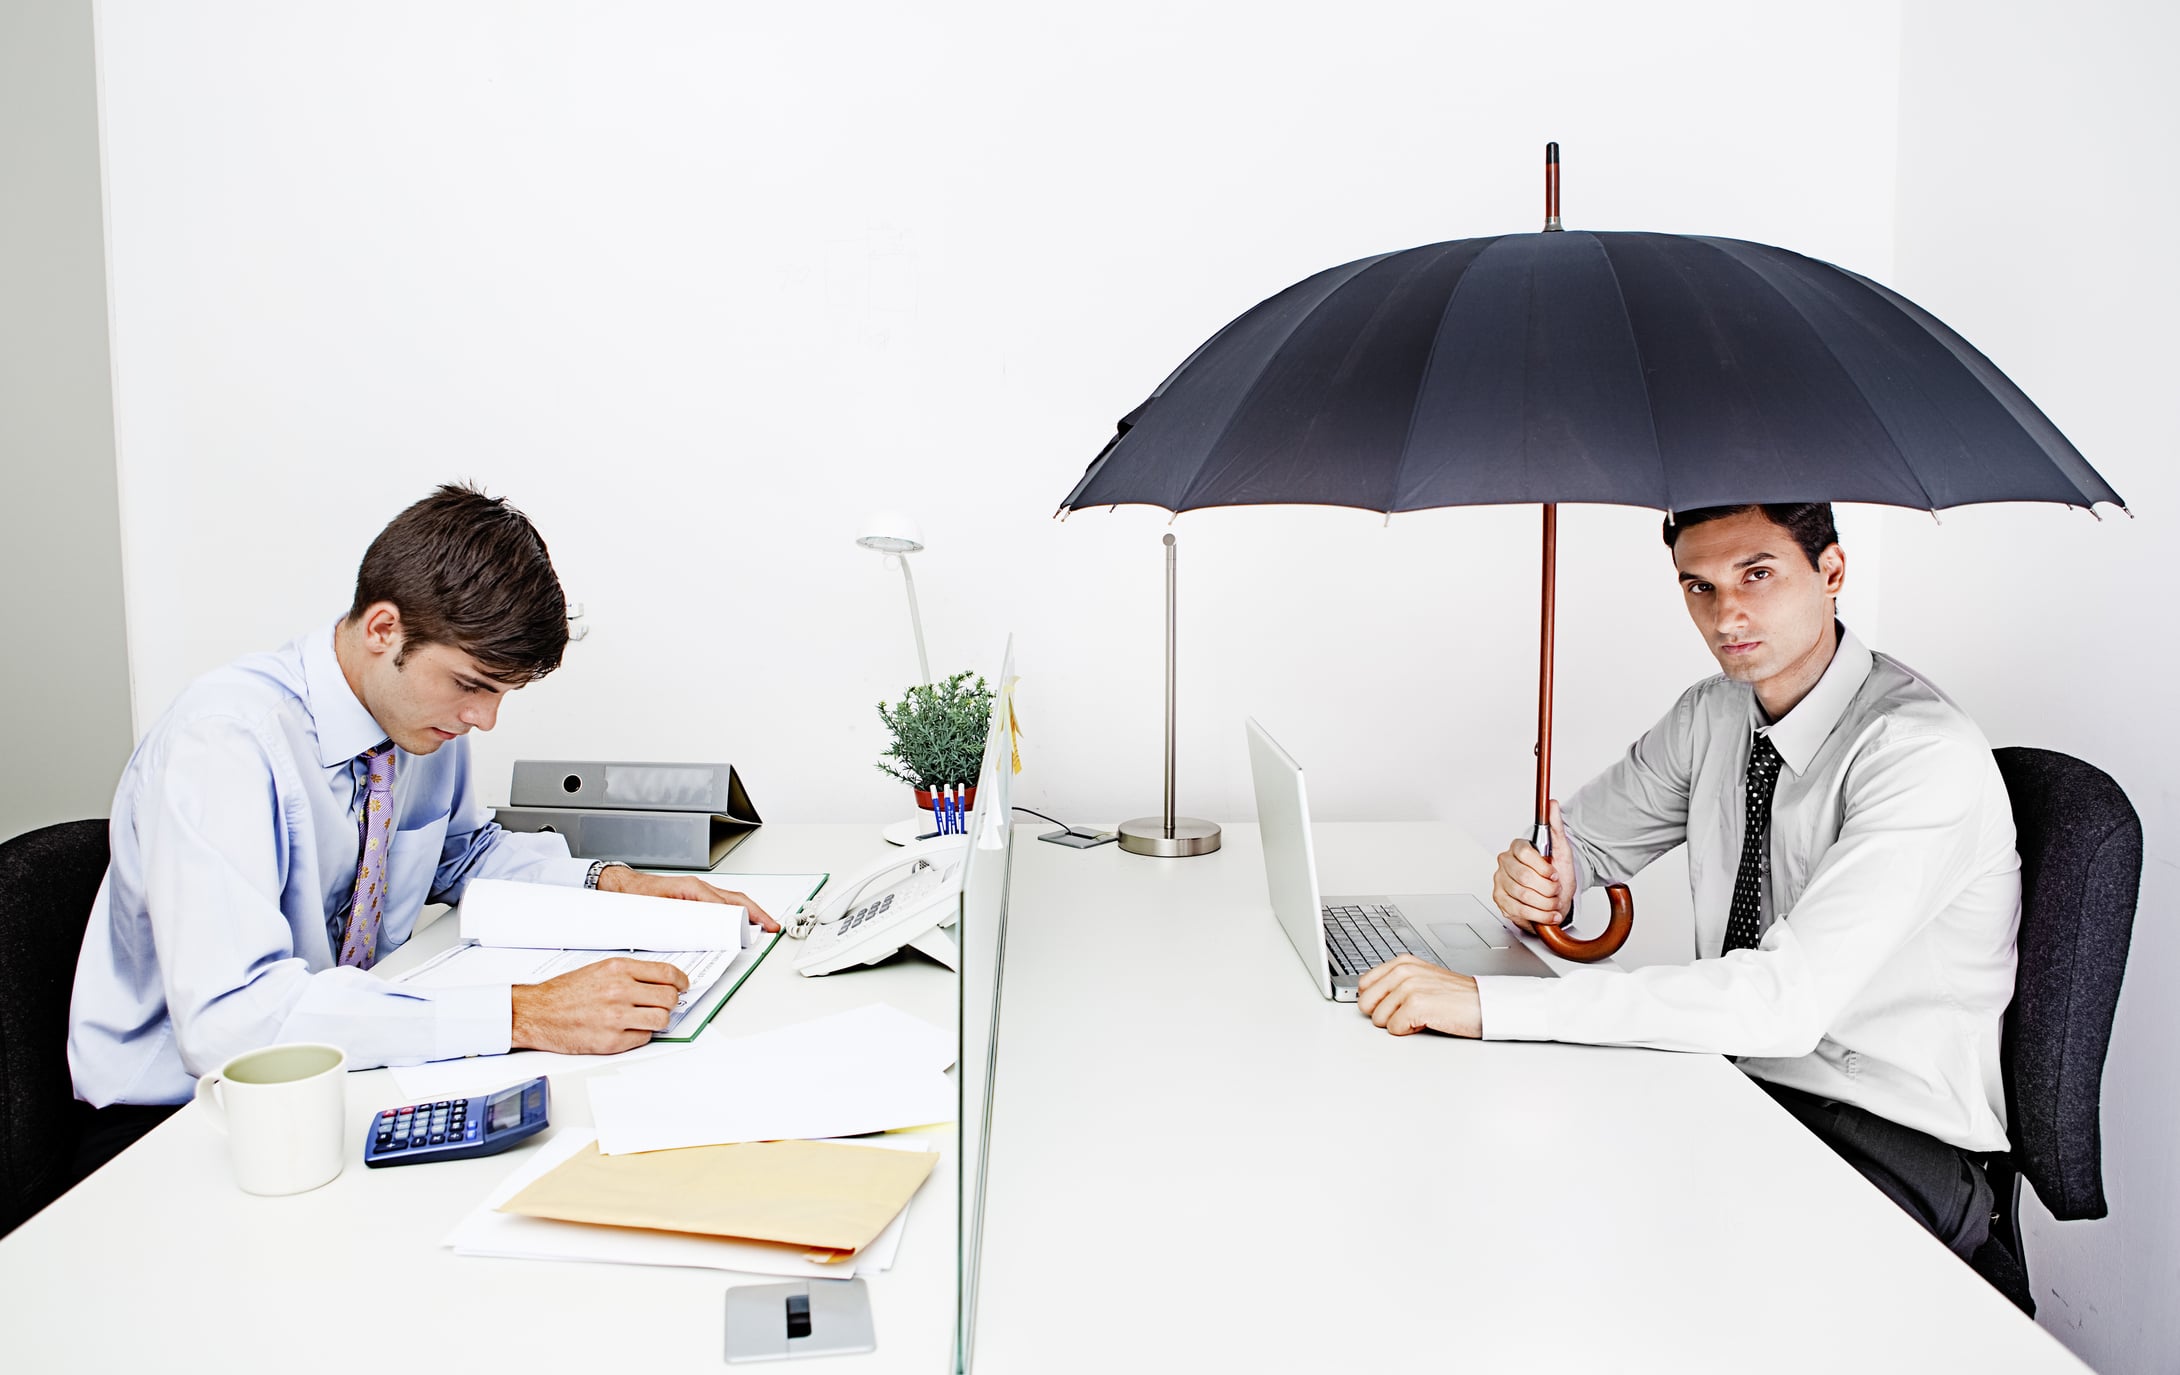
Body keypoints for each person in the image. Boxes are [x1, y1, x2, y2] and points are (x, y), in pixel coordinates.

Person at [1355, 503, 2020, 1258]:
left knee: (1612, 1232)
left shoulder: (1921, 758)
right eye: (1698, 586)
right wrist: (1543, 879)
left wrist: (1487, 1002)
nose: (1727, 613)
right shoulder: (1715, 713)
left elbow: (1781, 1004)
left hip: (1893, 1139)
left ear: (1831, 571)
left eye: (1757, 574)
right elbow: (1584, 847)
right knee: (1510, 1163)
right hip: (1739, 1083)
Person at [68, 484, 777, 1166]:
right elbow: (233, 1021)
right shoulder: (222, 743)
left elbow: (465, 856)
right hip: (174, 1119)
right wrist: (526, 1012)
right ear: (384, 628)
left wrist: (620, 885)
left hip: (338, 1068)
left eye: (499, 694)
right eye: (471, 684)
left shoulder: (416, 729)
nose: (483, 719)